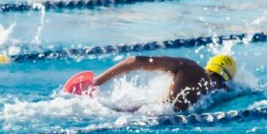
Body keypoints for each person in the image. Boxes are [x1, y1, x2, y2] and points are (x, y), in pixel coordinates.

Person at [91, 53, 236, 111]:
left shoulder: (191, 68)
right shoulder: (220, 92)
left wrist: (97, 81)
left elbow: (135, 60)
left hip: (147, 114)